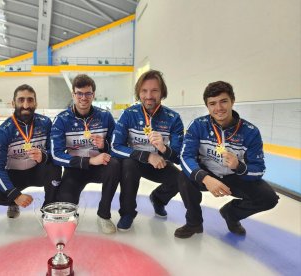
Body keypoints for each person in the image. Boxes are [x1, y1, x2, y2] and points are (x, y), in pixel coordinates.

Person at [174, 81, 279, 238]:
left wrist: (240, 167)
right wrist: (205, 178)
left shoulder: (250, 132)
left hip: (236, 177)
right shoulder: (198, 125)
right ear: (207, 106)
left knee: (269, 198)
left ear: (232, 101)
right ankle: (194, 223)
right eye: (212, 103)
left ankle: (231, 213)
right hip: (208, 173)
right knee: (183, 176)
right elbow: (185, 156)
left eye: (223, 101)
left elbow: (259, 169)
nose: (219, 108)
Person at [111, 70, 184, 231]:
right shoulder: (128, 114)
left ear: (162, 92)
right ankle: (128, 213)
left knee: (181, 179)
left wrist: (163, 149)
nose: (149, 95)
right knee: (128, 165)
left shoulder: (173, 118)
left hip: (159, 163)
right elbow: (115, 147)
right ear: (138, 92)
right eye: (144, 91)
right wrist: (147, 155)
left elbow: (178, 156)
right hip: (135, 162)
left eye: (154, 90)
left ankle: (158, 199)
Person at [51, 74, 120, 234]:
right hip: (74, 170)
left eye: (88, 93)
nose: (84, 98)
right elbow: (56, 155)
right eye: (79, 93)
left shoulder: (105, 117)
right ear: (73, 95)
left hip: (100, 168)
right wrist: (89, 161)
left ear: (93, 95)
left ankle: (103, 215)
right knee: (65, 209)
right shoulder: (62, 120)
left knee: (115, 165)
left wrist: (105, 145)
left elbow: (117, 147)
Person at [0, 84, 62, 218]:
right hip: (14, 175)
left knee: (54, 165)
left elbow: (56, 151)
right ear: (13, 103)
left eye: (30, 100)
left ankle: (48, 208)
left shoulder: (45, 123)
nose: (26, 105)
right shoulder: (4, 131)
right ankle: (13, 202)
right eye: (21, 100)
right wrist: (14, 195)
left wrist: (44, 156)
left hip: (37, 171)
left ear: (36, 103)